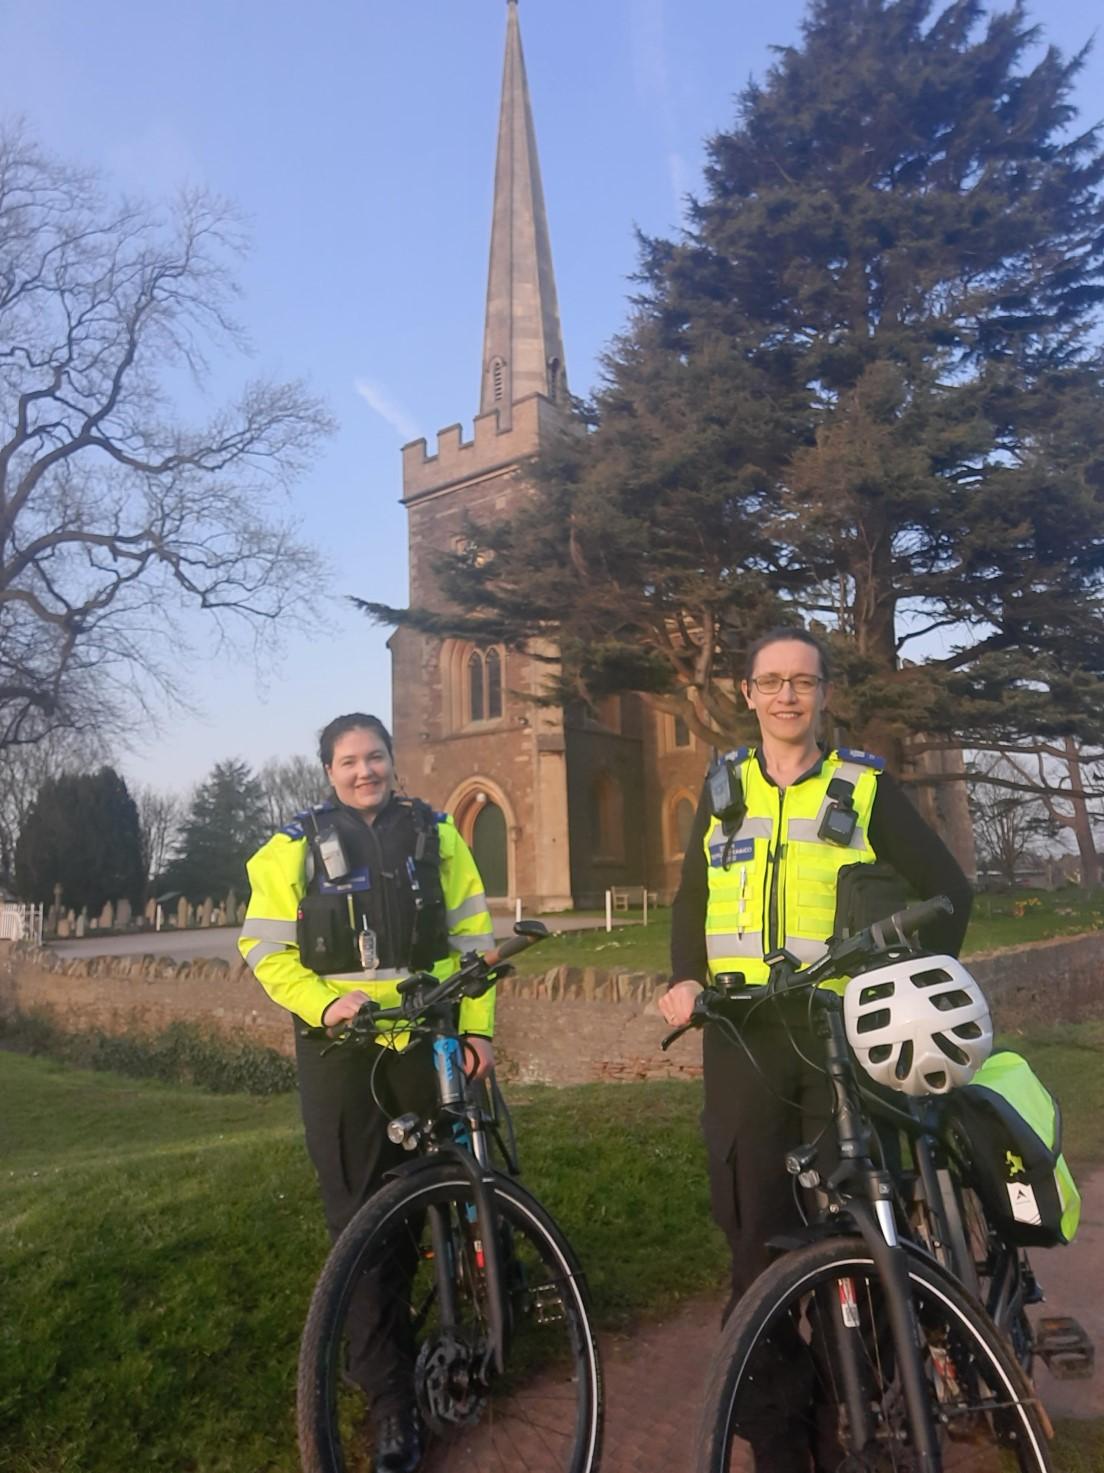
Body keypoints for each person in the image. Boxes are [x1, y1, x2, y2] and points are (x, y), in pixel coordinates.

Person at [660, 628, 973, 1470]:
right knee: (756, 1250)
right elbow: (691, 899)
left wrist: (907, 984)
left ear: (824, 694)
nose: (787, 695)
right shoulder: (721, 789)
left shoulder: (864, 788)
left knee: (857, 1245)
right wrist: (685, 978)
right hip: (741, 1044)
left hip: (839, 1046)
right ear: (750, 693)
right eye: (772, 681)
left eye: (803, 681)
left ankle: (865, 1426)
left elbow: (950, 893)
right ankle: (783, 1444)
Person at [238, 713, 495, 1473]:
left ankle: (477, 1319)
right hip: (342, 1058)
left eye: (374, 756)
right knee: (363, 1233)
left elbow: (473, 938)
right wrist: (326, 1002)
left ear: (392, 760)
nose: (364, 771)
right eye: (348, 761)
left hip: (426, 1041)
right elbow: (262, 945)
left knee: (447, 1195)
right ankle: (391, 1408)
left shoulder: (438, 834)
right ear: (328, 771)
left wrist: (477, 1029)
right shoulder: (290, 847)